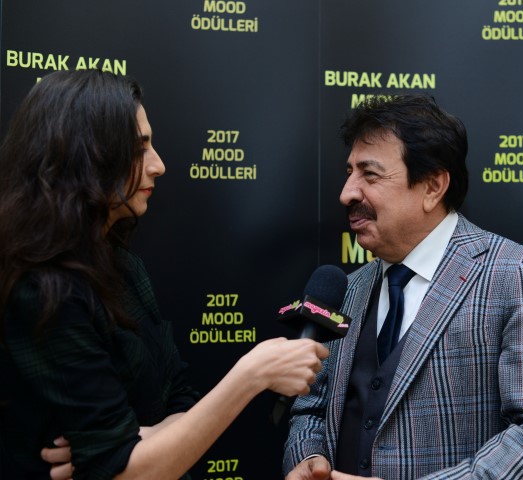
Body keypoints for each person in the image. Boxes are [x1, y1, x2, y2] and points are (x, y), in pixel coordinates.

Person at [0, 69, 329, 480]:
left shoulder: (123, 266)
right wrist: (251, 374)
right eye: (139, 149)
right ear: (86, 155)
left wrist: (138, 442)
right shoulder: (41, 290)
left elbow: (177, 399)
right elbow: (129, 473)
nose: (159, 165)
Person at [283, 94, 523, 479]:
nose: (347, 193)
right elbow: (310, 407)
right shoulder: (349, 288)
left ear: (432, 186)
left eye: (370, 175)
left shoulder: (518, 274)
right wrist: (308, 458)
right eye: (349, 172)